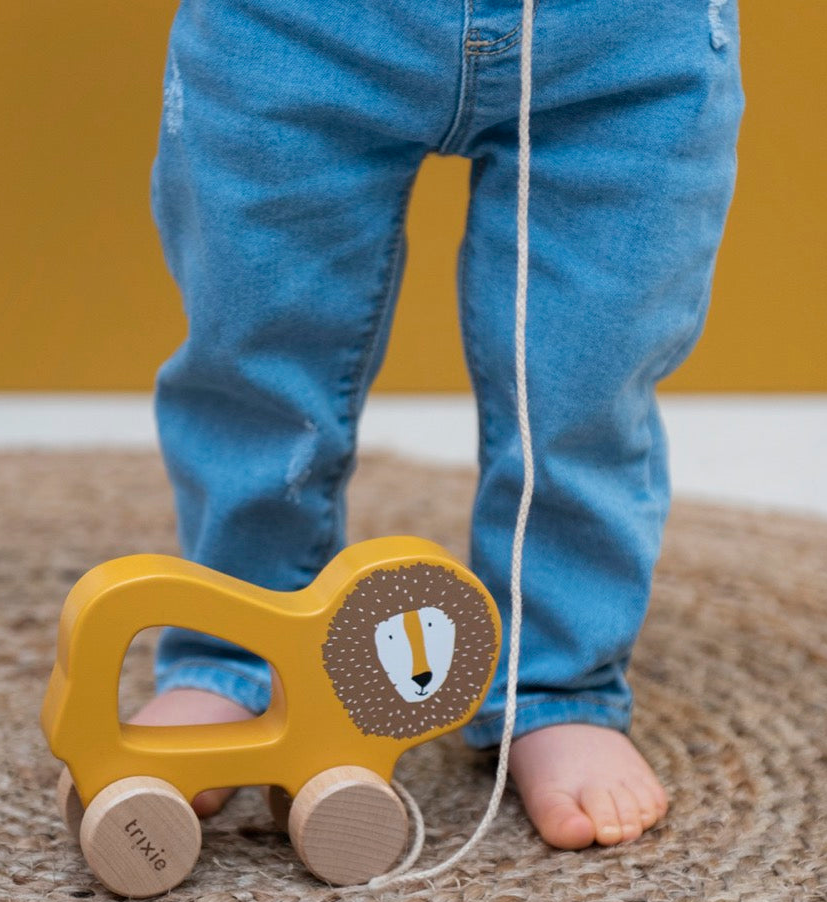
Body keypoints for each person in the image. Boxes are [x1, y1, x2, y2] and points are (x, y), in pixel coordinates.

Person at [130, 0, 744, 850]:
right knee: (254, 348)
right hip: (292, 27)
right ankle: (237, 647)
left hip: (622, 38)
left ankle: (555, 681)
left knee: (589, 375)